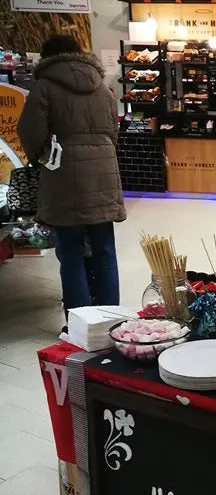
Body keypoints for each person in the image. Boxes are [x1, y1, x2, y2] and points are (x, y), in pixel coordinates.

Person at [18, 35, 125, 312]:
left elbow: (30, 134)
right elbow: (113, 134)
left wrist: (42, 157)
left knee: (71, 251)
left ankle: (80, 321)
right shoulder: (102, 88)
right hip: (103, 175)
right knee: (104, 250)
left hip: (63, 175)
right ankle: (110, 315)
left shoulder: (43, 88)